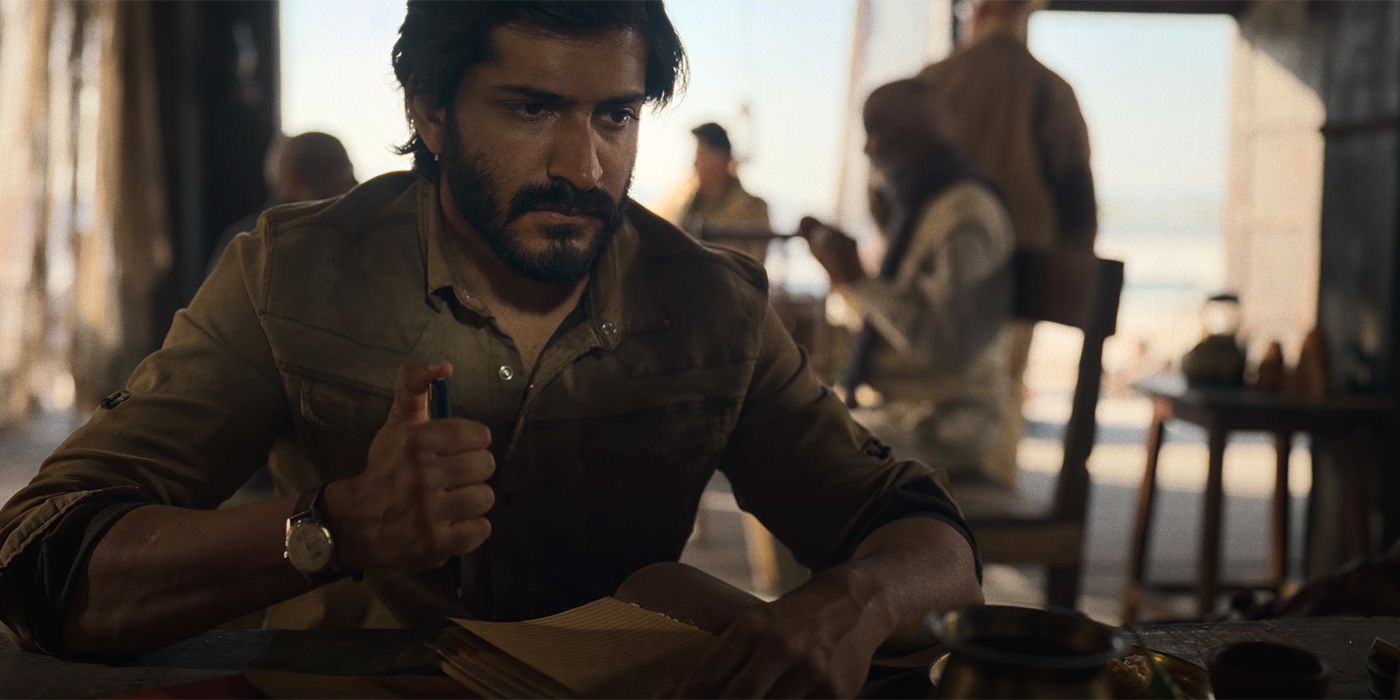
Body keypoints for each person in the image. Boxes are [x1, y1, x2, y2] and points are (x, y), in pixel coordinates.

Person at [0, 3, 981, 697]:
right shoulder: (289, 275)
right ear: (427, 108)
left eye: (614, 115)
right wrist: (335, 524)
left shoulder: (708, 301)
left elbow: (925, 538)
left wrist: (847, 602)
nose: (582, 166)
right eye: (531, 108)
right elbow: (37, 555)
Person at [801, 79, 1016, 488]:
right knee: (777, 430)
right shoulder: (925, 207)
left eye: (876, 130)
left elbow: (948, 348)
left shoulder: (963, 217)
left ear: (918, 135)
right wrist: (847, 278)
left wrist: (858, 280)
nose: (867, 149)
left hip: (949, 422)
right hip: (911, 408)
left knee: (789, 449)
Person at [917, 0, 1097, 486]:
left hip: (934, 269)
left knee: (931, 389)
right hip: (1021, 272)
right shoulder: (1049, 87)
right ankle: (985, 510)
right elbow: (1076, 190)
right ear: (1020, 13)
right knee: (1001, 392)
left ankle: (929, 516)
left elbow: (889, 185)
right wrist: (1075, 268)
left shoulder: (934, 81)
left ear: (977, 13)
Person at [207, 132, 358, 275]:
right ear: (298, 176)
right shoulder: (248, 246)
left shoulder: (243, 242)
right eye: (343, 169)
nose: (354, 183)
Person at [676, 122, 772, 263]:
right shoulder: (688, 208)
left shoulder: (754, 208)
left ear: (719, 158)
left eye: (701, 155)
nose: (695, 163)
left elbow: (753, 267)